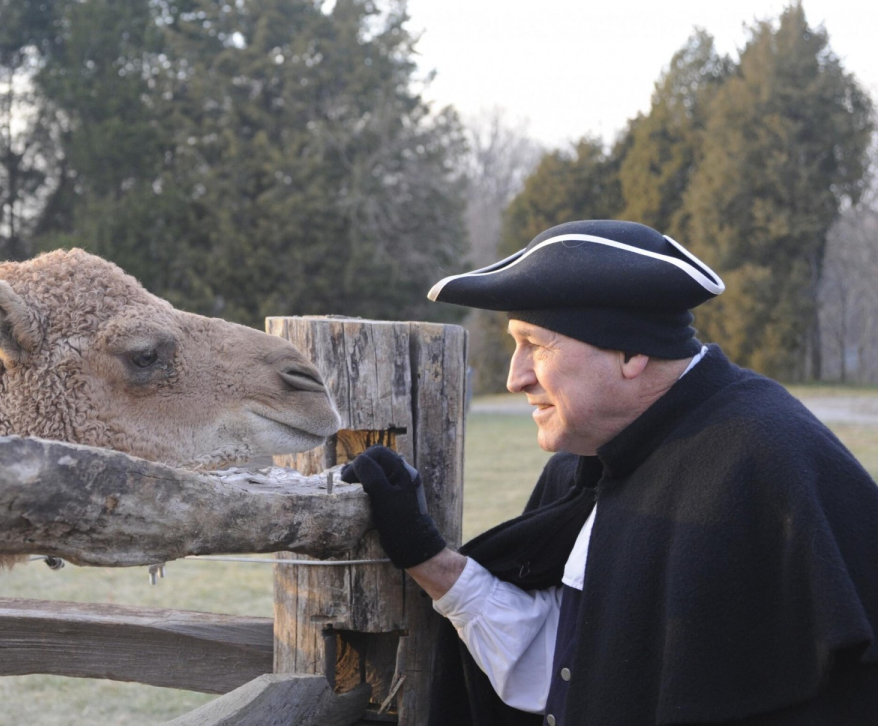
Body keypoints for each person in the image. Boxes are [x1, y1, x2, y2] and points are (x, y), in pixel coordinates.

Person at [341, 220, 878, 726]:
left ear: (630, 353)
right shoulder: (588, 467)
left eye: (535, 345)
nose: (514, 377)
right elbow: (565, 665)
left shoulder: (765, 464)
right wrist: (424, 555)